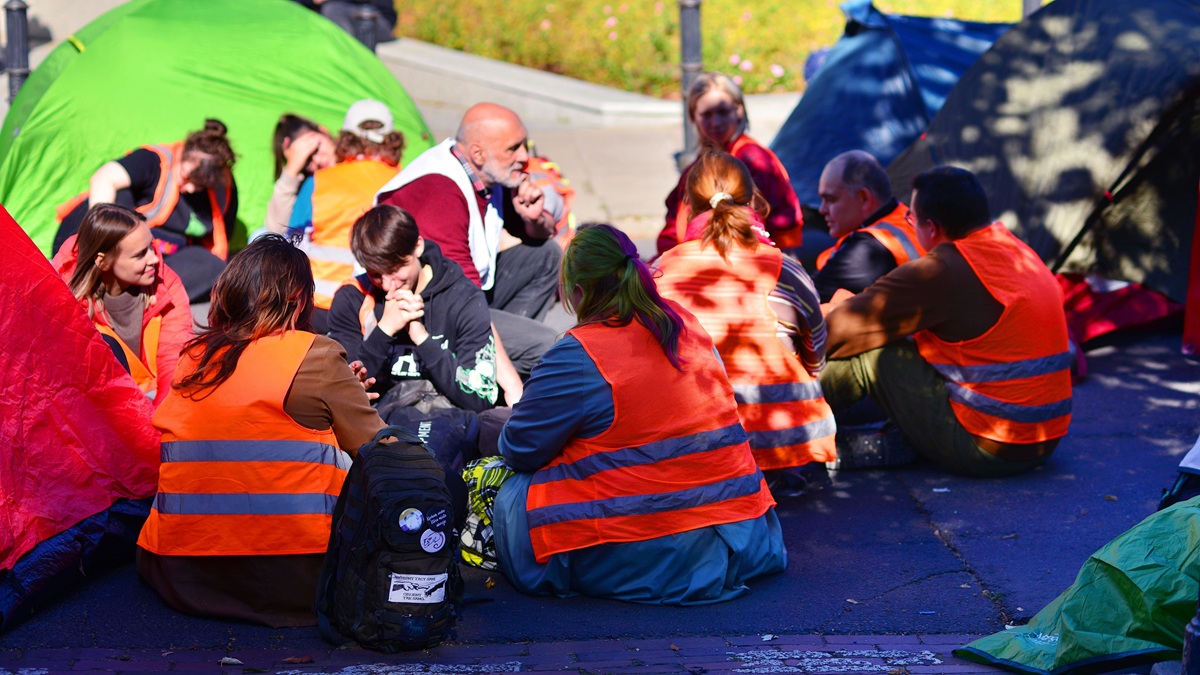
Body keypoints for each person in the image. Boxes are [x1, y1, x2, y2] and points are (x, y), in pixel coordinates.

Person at [487, 223, 786, 604]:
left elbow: (521, 449)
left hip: (659, 551)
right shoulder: (684, 322)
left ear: (578, 292)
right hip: (748, 533)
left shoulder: (579, 353)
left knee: (513, 490)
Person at [136, 234, 386, 627]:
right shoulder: (315, 353)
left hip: (178, 573)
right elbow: (380, 449)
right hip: (293, 580)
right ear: (299, 300)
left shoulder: (193, 357)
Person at [819, 167, 1073, 477]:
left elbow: (841, 329)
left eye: (912, 219)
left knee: (870, 355)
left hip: (990, 447)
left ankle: (784, 428)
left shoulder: (942, 269)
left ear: (932, 228)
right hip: (1044, 439)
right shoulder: (1016, 250)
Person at [655, 150, 835, 487]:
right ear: (753, 199)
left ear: (688, 207)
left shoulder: (661, 272)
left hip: (694, 446)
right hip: (783, 443)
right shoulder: (785, 267)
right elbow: (816, 356)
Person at [374, 102, 563, 375]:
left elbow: (542, 235)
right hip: (417, 311)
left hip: (459, 295)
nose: (524, 157)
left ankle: (503, 357)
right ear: (477, 152)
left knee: (546, 255)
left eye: (525, 145)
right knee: (544, 344)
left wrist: (534, 219)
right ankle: (489, 372)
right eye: (513, 148)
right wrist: (511, 381)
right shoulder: (441, 192)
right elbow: (463, 297)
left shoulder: (489, 174)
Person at [329, 204, 507, 412]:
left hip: (449, 423)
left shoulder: (463, 297)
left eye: (395, 269)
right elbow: (339, 394)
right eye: (375, 274)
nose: (388, 286)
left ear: (418, 247)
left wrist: (422, 339)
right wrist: (384, 330)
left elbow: (479, 397)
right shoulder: (352, 298)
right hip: (378, 426)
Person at [54, 119, 239, 302]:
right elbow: (103, 178)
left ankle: (135, 297)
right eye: (187, 177)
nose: (190, 188)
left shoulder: (222, 191)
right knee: (119, 195)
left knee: (212, 265)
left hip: (158, 261)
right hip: (115, 238)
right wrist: (104, 237)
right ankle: (90, 276)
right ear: (183, 156)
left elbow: (216, 242)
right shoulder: (155, 160)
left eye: (200, 185)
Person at [52, 204, 192, 407]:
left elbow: (174, 356)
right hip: (97, 408)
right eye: (140, 255)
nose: (154, 259)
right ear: (104, 261)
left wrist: (162, 419)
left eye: (151, 247)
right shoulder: (64, 295)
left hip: (154, 399)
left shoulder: (165, 283)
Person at [657, 72, 803, 256]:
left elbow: (752, 232)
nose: (715, 122)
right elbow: (673, 221)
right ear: (693, 117)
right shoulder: (702, 162)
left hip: (744, 260)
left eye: (723, 112)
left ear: (739, 110)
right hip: (696, 258)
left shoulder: (752, 159)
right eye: (706, 114)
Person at [288, 100, 405, 326]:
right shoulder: (405, 182)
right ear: (392, 139)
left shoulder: (320, 181)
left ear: (346, 138)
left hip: (318, 306)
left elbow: (290, 242)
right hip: (379, 308)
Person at [813, 150, 925, 302]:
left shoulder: (868, 250)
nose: (822, 209)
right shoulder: (906, 218)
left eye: (831, 199)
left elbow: (800, 300)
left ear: (864, 198)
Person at [264, 114, 336, 236]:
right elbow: (276, 230)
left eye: (316, 149)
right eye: (307, 161)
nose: (317, 160)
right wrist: (292, 169)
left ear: (324, 132)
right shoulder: (308, 185)